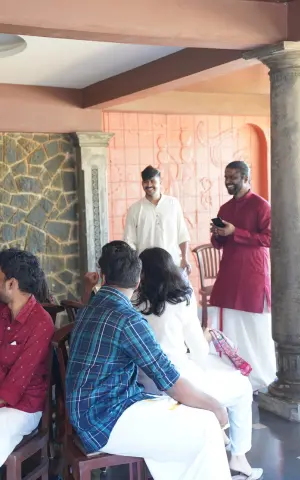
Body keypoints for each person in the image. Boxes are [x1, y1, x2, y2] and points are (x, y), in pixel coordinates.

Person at [66, 241, 232, 480]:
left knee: (198, 422)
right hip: (104, 421)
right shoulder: (128, 319)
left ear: (103, 276)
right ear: (138, 281)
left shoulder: (92, 305)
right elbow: (171, 382)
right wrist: (217, 407)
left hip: (93, 410)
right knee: (206, 427)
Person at [134, 247, 263, 480]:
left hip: (144, 386)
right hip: (180, 385)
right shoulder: (181, 299)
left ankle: (219, 433)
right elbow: (200, 352)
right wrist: (203, 337)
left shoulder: (131, 302)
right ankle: (239, 458)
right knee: (242, 388)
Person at [210, 160, 276, 391]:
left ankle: (261, 377)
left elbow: (269, 238)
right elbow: (218, 243)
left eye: (233, 177)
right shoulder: (225, 208)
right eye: (226, 177)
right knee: (230, 323)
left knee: (255, 329)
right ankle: (234, 374)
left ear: (246, 179)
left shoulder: (262, 206)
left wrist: (236, 232)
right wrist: (219, 235)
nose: (228, 181)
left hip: (252, 274)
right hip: (229, 272)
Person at [0, 248, 54, 467]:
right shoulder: (3, 313)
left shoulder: (41, 323)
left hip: (23, 407)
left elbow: (16, 385)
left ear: (11, 284)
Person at [124, 165, 192, 274]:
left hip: (173, 265)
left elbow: (182, 234)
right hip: (146, 268)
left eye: (152, 181)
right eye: (145, 182)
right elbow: (129, 241)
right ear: (142, 184)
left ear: (160, 182)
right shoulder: (135, 209)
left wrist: (184, 258)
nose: (149, 185)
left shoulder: (173, 204)